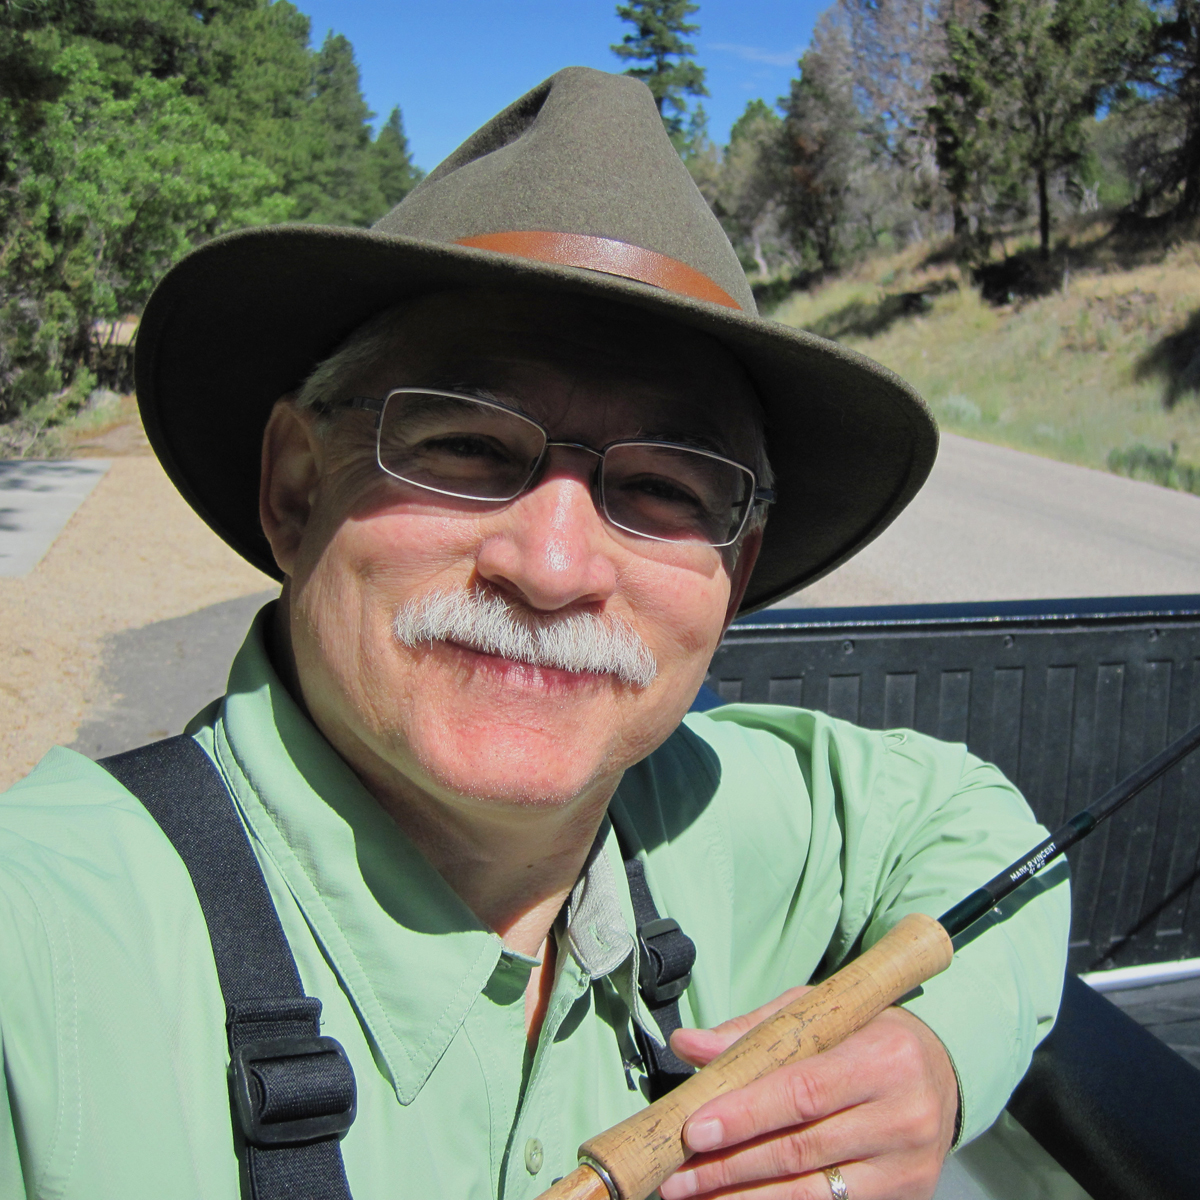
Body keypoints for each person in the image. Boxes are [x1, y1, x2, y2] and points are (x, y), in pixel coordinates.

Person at [0, 68, 1070, 1200]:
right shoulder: (42, 954)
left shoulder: (720, 819)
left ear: (735, 570)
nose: (554, 568)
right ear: (297, 490)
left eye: (665, 484)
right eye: (462, 444)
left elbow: (986, 836)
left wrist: (941, 1056)